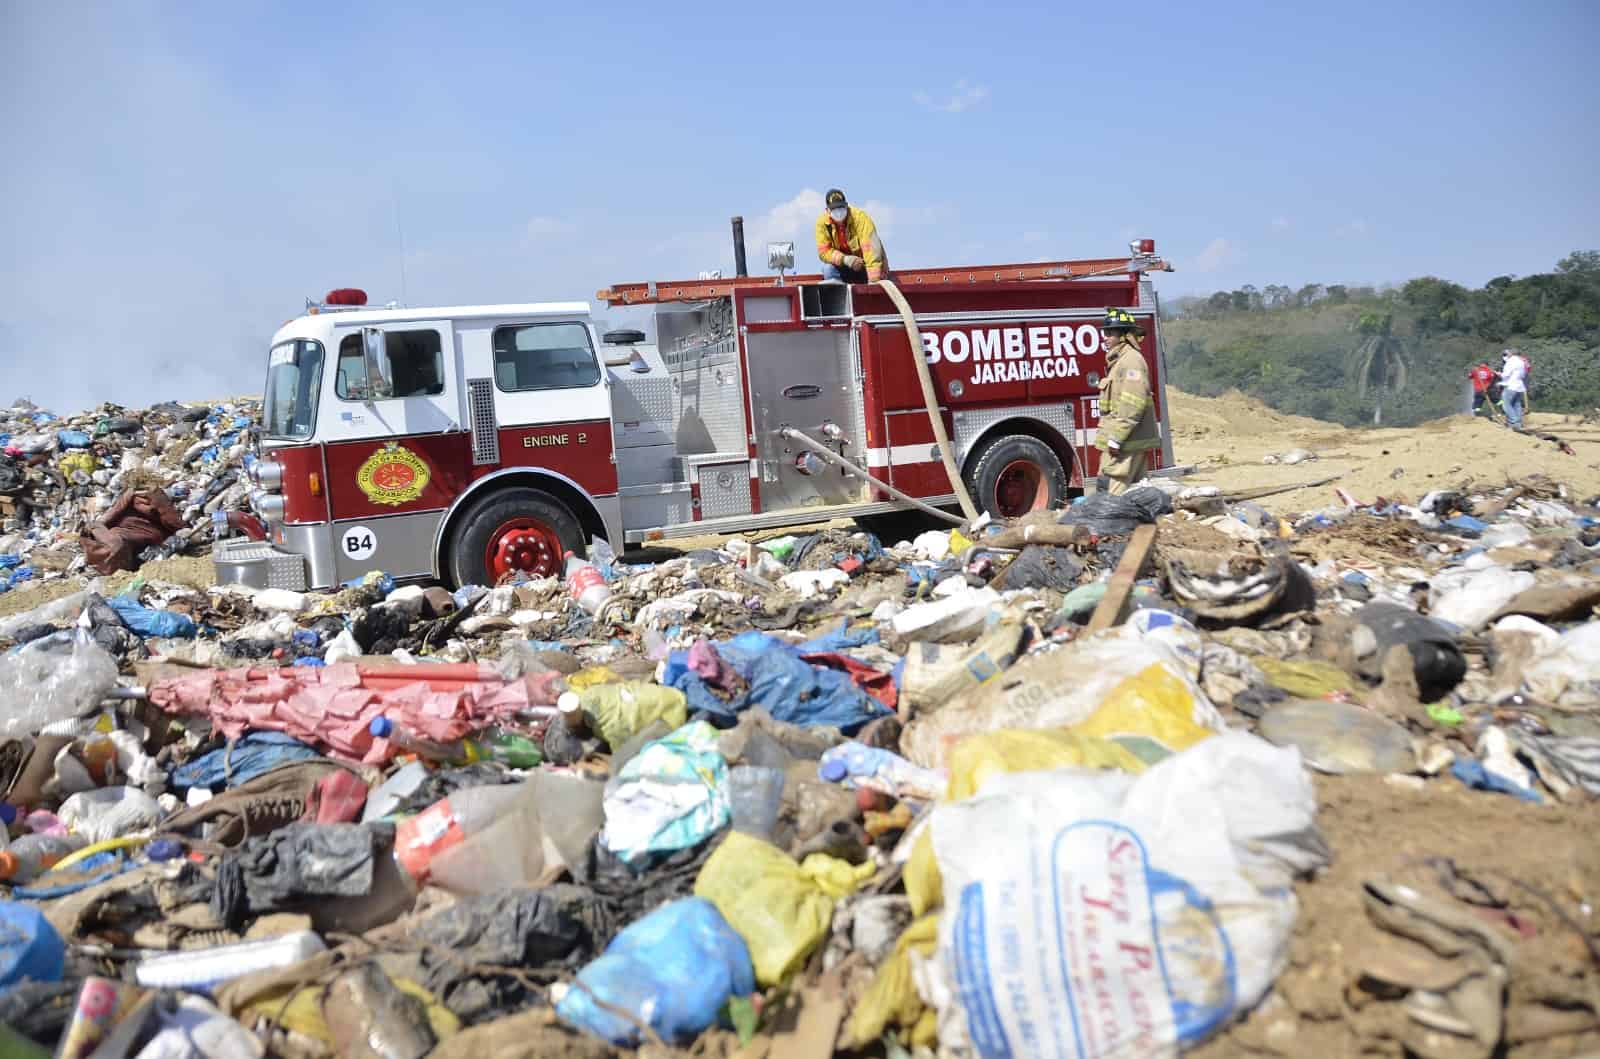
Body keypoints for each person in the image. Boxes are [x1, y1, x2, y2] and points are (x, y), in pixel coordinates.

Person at [1094, 308, 1160, 495]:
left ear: (1124, 335)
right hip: (1122, 441)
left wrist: (1117, 438)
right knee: (1130, 493)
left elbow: (1132, 403)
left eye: (1110, 333)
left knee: (1113, 496)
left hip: (1126, 443)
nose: (1105, 338)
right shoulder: (1119, 360)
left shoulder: (1131, 361)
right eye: (1104, 333)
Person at [815, 189, 888, 283]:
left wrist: (874, 281)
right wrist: (846, 259)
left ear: (846, 206)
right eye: (834, 209)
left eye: (841, 208)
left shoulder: (860, 218)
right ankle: (838, 295)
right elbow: (824, 252)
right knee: (828, 270)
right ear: (827, 210)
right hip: (844, 267)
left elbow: (872, 250)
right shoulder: (822, 224)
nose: (839, 212)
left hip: (866, 267)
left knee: (874, 273)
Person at [1499, 347, 1529, 430]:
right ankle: (1518, 423)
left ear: (1510, 354)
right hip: (1519, 386)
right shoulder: (1521, 362)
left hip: (1511, 386)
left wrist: (1499, 374)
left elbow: (1506, 375)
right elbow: (1523, 375)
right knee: (1517, 405)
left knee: (1506, 405)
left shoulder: (1510, 362)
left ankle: (1514, 422)